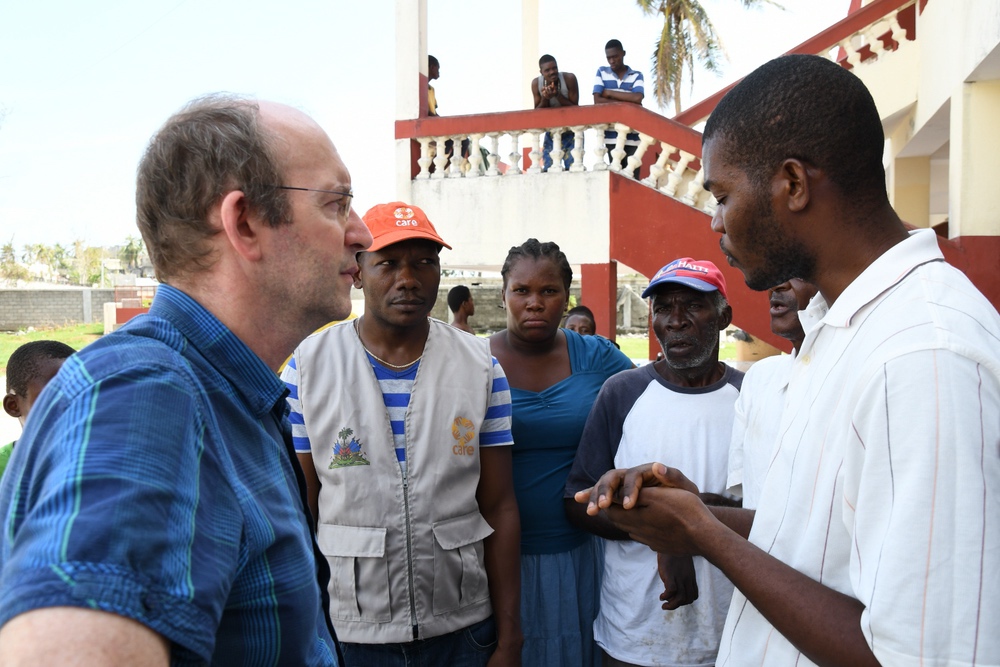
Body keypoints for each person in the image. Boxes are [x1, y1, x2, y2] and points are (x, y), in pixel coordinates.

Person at [577, 54, 1000, 666]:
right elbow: (817, 547)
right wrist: (702, 512)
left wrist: (703, 536)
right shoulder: (838, 331)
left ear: (793, 184)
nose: (715, 223)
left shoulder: (923, 357)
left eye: (721, 195)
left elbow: (915, 655)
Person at [0, 95, 372, 665]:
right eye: (336, 203)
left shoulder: (228, 394)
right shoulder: (147, 395)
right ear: (244, 222)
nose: (362, 233)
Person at [282, 201, 522, 667]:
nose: (408, 278)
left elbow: (500, 505)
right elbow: (299, 507)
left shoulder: (480, 368)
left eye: (424, 262)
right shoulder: (307, 368)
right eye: (388, 263)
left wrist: (510, 639)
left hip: (462, 629)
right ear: (357, 271)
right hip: (351, 632)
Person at [565, 258, 743, 667]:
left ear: (725, 316)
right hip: (637, 632)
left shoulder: (752, 399)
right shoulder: (621, 392)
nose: (676, 321)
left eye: (693, 306)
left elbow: (772, 513)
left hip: (731, 630)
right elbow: (576, 502)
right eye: (664, 308)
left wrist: (680, 526)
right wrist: (662, 533)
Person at [489, 239, 632, 666]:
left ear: (566, 297)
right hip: (499, 556)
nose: (535, 303)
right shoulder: (473, 362)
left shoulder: (597, 357)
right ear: (503, 295)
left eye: (549, 291)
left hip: (584, 551)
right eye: (522, 291)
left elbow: (653, 399)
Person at [727, 279, 816, 509]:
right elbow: (751, 505)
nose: (777, 285)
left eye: (797, 273)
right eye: (777, 274)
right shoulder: (759, 377)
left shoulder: (858, 374)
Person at [1, 340, 75, 478]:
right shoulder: (3, 469)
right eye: (53, 396)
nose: (70, 406)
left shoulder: (96, 462)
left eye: (80, 394)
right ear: (13, 406)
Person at [593, 39, 644, 177]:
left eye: (615, 56)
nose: (612, 61)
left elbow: (638, 98)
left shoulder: (636, 75)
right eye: (608, 57)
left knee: (633, 178)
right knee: (617, 177)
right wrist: (627, 99)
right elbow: (597, 101)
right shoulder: (602, 72)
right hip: (611, 136)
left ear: (623, 54)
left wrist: (609, 93)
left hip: (633, 136)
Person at [531, 55, 579, 171]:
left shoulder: (569, 79)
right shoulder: (536, 84)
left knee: (574, 169)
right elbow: (537, 114)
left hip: (571, 131)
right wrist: (545, 98)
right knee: (549, 169)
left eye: (554, 68)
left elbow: (576, 109)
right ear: (541, 72)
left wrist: (557, 95)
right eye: (547, 70)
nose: (552, 72)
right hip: (551, 132)